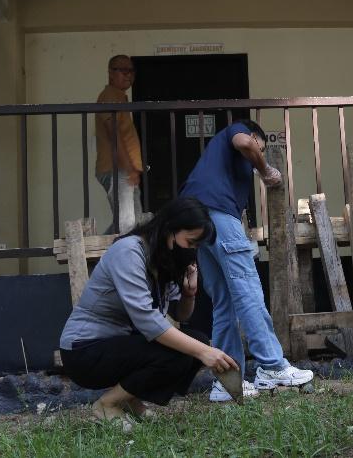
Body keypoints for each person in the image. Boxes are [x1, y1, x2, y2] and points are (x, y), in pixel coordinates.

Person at [59, 197, 239, 425]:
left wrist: (188, 293)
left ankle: (129, 401)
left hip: (121, 344)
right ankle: (107, 404)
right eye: (191, 242)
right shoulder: (128, 252)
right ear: (170, 229)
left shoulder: (163, 259)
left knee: (196, 340)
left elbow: (180, 315)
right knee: (186, 350)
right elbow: (149, 323)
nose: (192, 250)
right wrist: (205, 352)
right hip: (84, 350)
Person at [181, 120, 314, 402]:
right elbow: (244, 143)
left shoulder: (216, 166)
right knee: (248, 290)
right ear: (255, 136)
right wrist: (266, 171)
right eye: (260, 148)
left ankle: (227, 383)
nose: (256, 158)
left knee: (224, 301)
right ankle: (272, 366)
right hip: (218, 213)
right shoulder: (238, 131)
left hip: (193, 218)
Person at [95, 54, 144, 234]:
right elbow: (114, 133)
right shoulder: (109, 95)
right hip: (117, 168)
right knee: (128, 223)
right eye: (122, 70)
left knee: (135, 223)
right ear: (110, 73)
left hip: (124, 169)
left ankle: (104, 257)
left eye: (131, 70)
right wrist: (128, 167)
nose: (128, 74)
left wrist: (133, 169)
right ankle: (115, 259)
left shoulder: (119, 97)